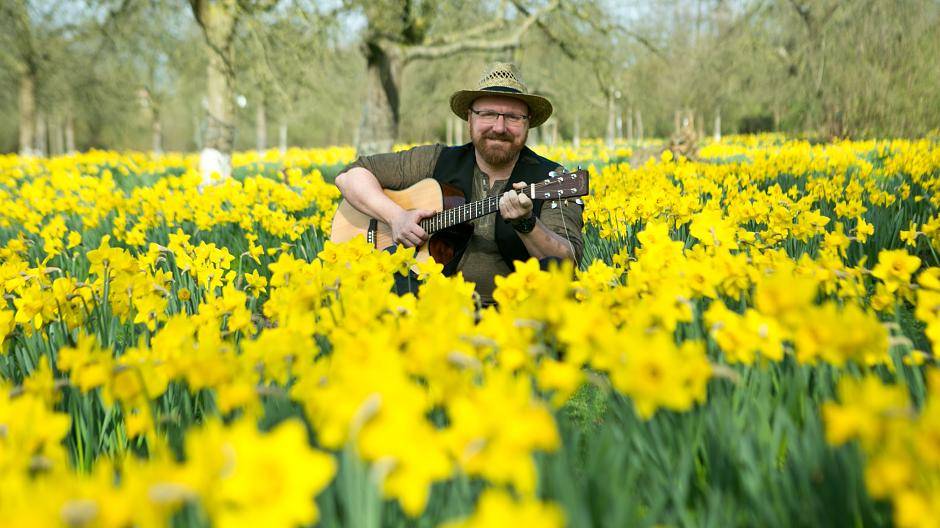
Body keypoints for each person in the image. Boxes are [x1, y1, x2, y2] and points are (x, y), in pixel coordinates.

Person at [334, 62, 583, 306]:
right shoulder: (434, 160)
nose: (499, 127)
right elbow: (349, 176)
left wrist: (527, 224)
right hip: (430, 310)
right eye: (487, 114)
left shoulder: (553, 179)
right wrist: (395, 217)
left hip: (513, 316)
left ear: (528, 123)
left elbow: (565, 264)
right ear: (470, 119)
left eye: (513, 117)